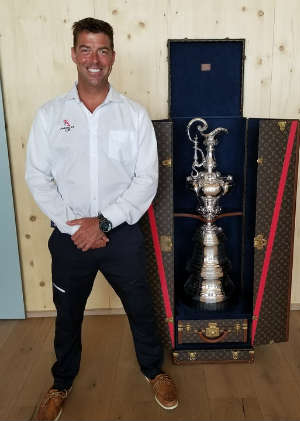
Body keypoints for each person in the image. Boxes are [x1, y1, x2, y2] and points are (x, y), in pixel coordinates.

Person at [25, 17, 178, 421]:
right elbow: (37, 176)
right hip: (69, 235)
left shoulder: (133, 115)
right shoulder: (50, 115)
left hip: (121, 235)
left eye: (103, 49)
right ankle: (61, 382)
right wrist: (73, 225)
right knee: (67, 314)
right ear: (74, 54)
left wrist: (103, 223)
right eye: (87, 49)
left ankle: (153, 370)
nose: (95, 58)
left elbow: (147, 179)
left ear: (113, 57)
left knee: (141, 308)